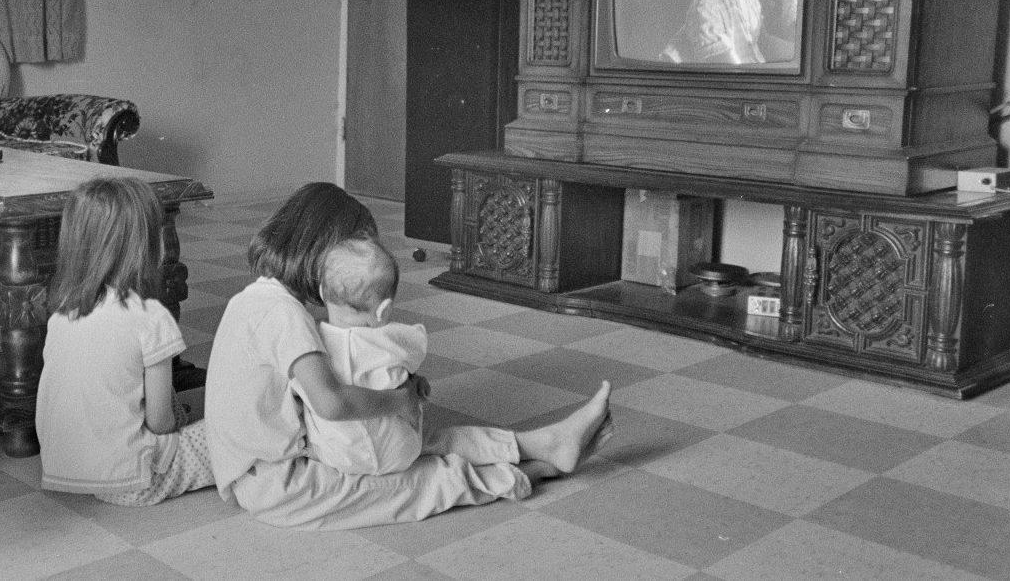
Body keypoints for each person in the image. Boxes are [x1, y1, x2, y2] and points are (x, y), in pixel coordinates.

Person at [205, 182, 614, 531]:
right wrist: (401, 399)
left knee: (419, 442)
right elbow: (331, 403)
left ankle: (542, 442)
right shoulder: (284, 315)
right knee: (413, 483)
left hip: (271, 467)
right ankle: (528, 471)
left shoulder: (257, 298)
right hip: (279, 484)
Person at [35, 177, 214, 505]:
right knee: (231, 434)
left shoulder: (62, 311)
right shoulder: (150, 316)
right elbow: (160, 422)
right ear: (142, 247)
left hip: (67, 469)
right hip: (132, 480)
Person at [292, 235, 428, 475]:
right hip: (400, 452)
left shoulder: (310, 341)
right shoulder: (394, 338)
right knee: (407, 382)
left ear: (322, 292)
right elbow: (416, 354)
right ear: (383, 310)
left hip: (337, 457)